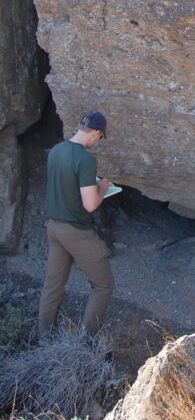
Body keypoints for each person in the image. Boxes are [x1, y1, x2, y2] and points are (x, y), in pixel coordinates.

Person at [38, 110, 115, 339]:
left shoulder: (56, 150)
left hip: (54, 227)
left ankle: (44, 337)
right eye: (100, 138)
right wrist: (102, 187)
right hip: (76, 231)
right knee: (103, 286)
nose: (97, 142)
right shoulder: (85, 159)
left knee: (53, 284)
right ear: (98, 133)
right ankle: (87, 343)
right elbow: (90, 205)